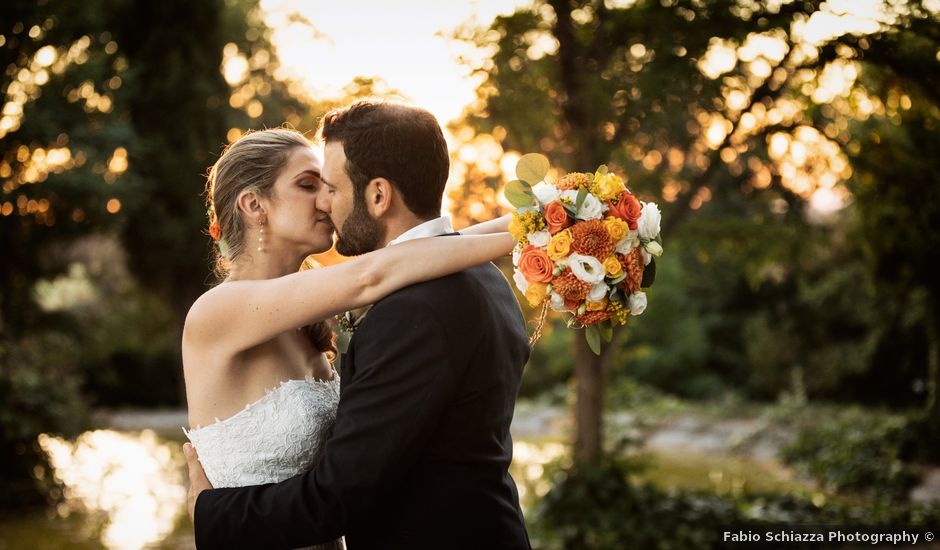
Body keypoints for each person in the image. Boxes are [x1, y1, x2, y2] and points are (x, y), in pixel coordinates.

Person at [184, 102, 531, 549]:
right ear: (254, 205)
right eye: (309, 185)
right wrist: (528, 232)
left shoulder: (306, 314)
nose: (325, 201)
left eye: (328, 185)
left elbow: (411, 257)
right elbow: (379, 272)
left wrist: (541, 226)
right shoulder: (220, 311)